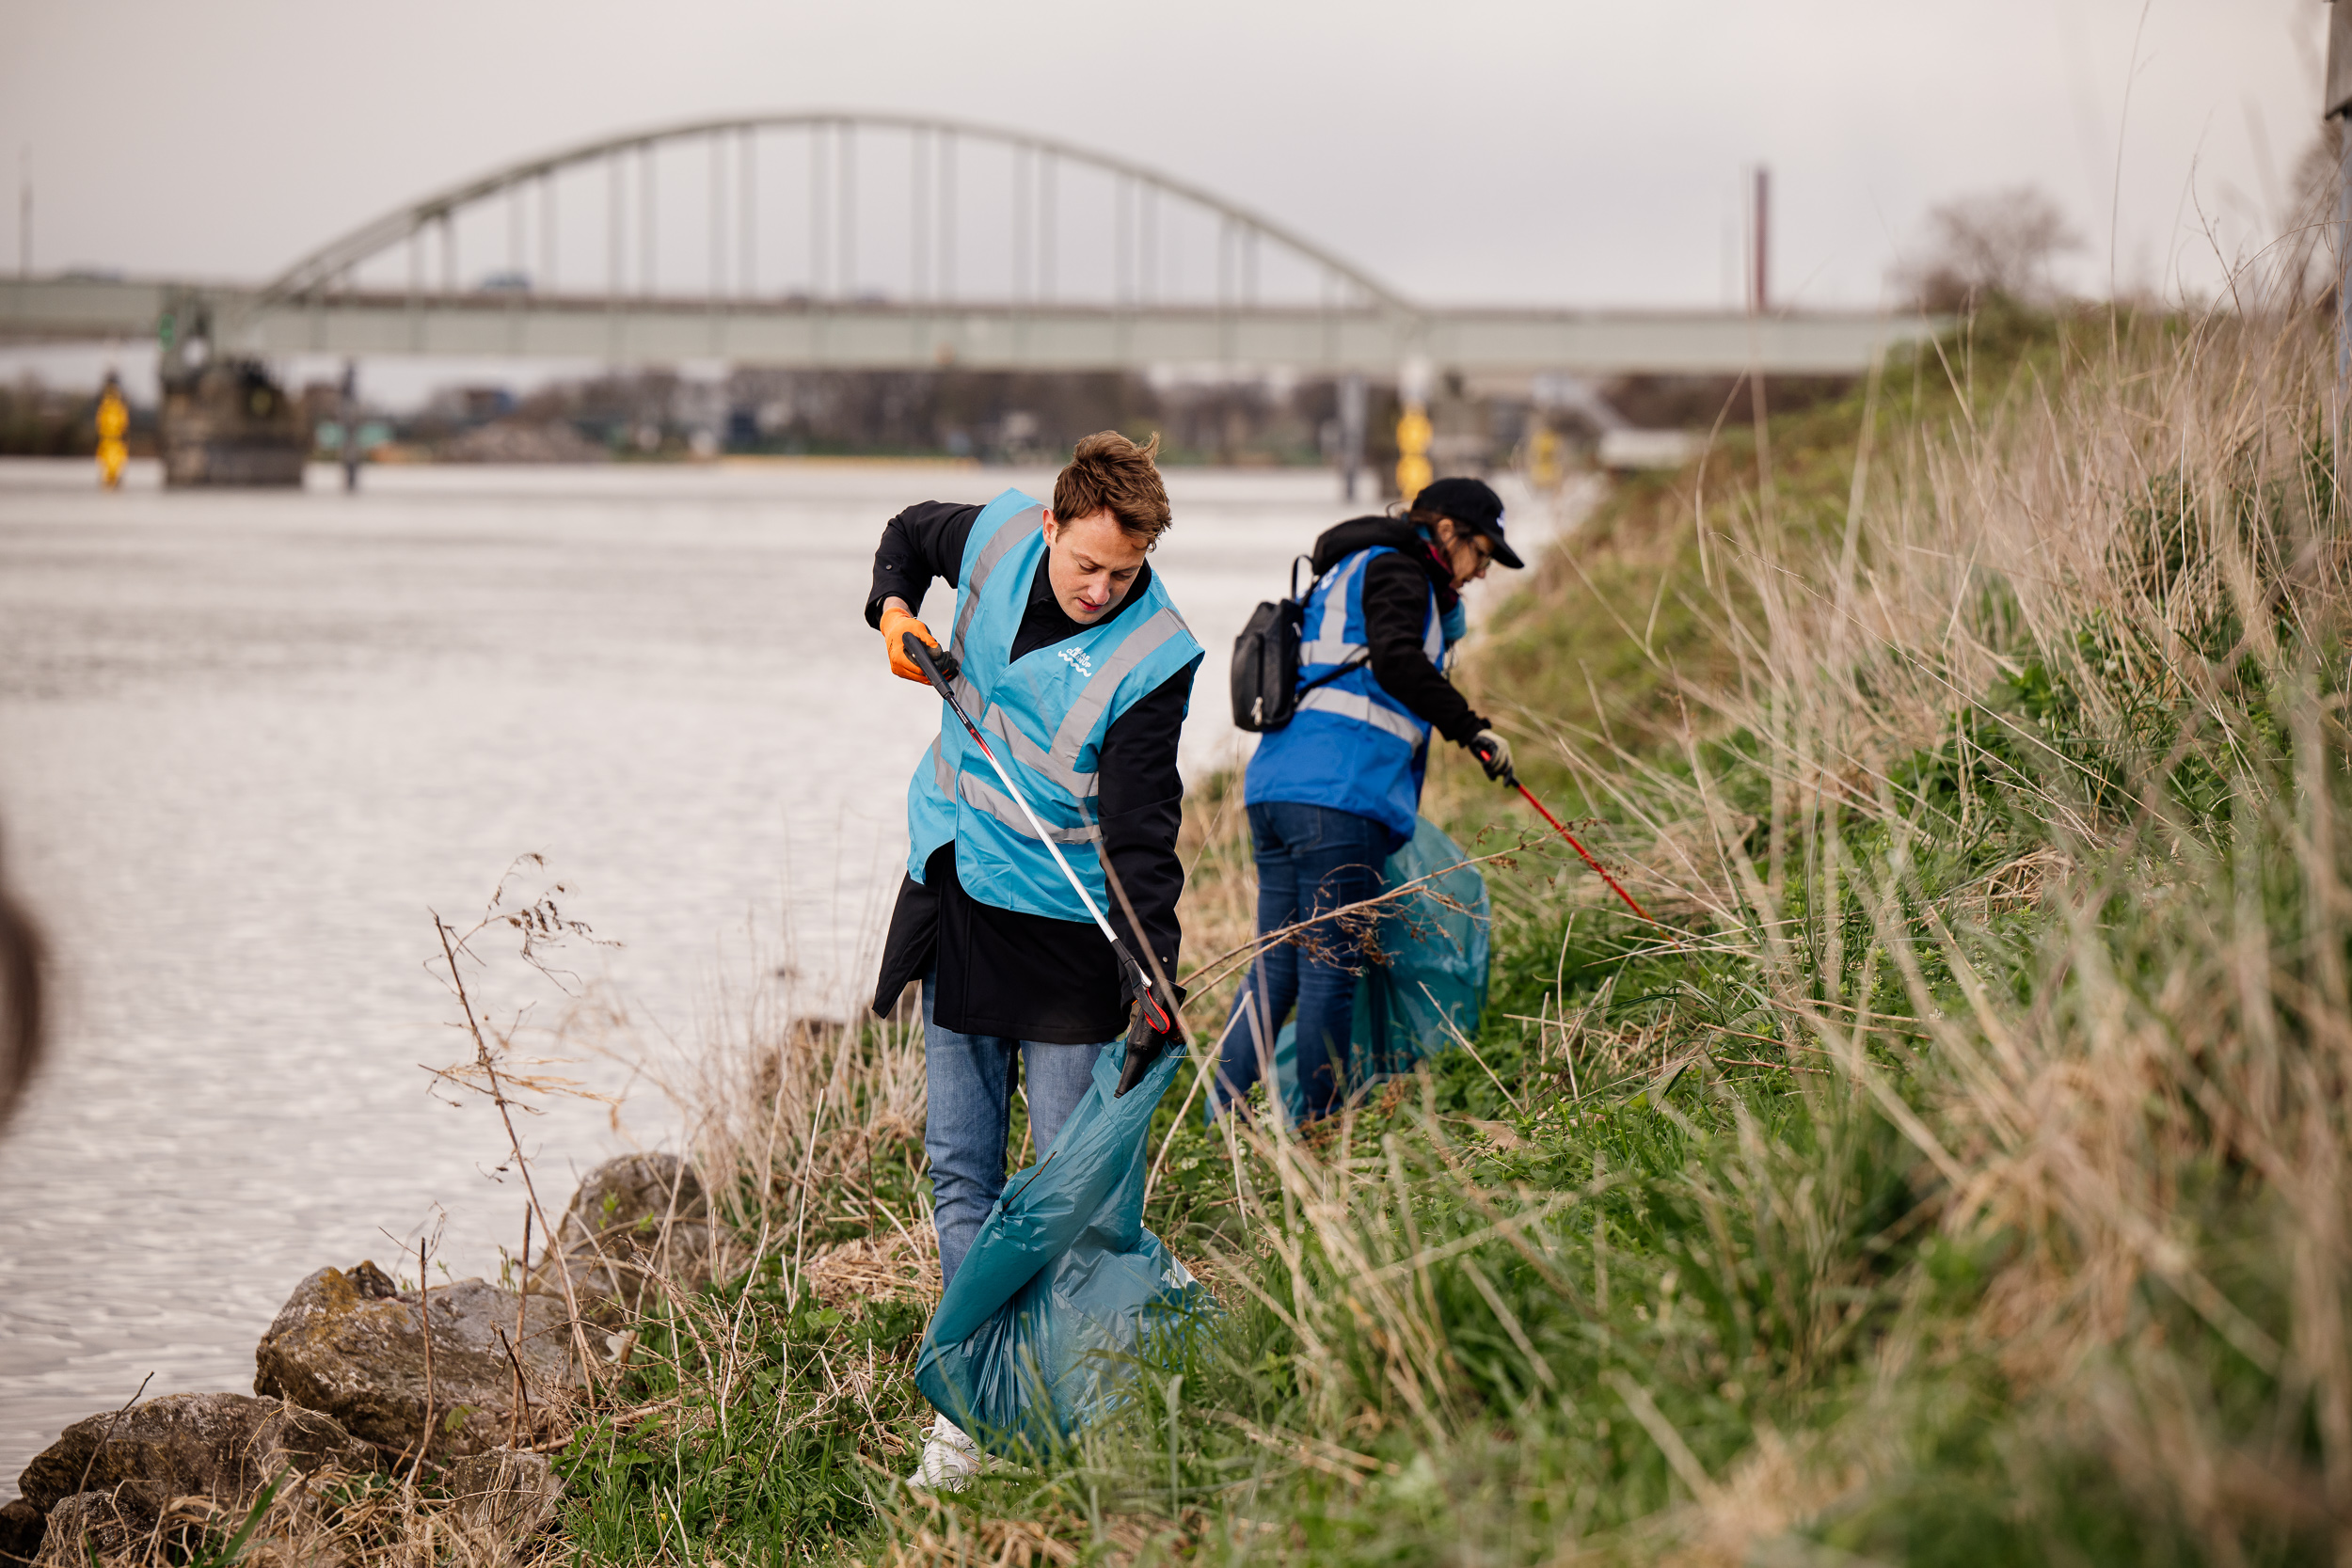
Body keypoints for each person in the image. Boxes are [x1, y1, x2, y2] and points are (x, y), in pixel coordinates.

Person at [866, 431, 1202, 1489]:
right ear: (1051, 525)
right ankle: (971, 1409)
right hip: (956, 887)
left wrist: (1157, 971)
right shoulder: (1003, 530)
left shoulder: (1156, 659)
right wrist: (892, 611)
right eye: (1087, 563)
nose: (1103, 588)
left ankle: (1077, 1395)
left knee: (1065, 1197)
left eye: (1126, 570)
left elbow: (1147, 829)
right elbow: (907, 534)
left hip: (1065, 931)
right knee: (960, 1171)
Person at [1213, 476, 1524, 1123]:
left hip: (1276, 788)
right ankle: (1318, 1130)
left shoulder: (1350, 570)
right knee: (1330, 967)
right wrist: (1472, 728)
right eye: (1481, 554)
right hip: (1338, 798)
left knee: (1279, 967)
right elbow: (1396, 662)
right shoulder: (1401, 572)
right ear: (1446, 533)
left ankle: (1224, 1119)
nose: (1482, 571)